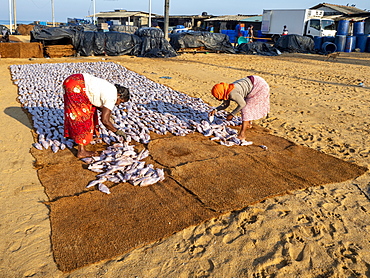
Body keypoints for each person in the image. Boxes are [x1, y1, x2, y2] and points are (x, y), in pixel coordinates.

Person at [63, 73, 130, 158]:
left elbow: (96, 102)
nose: (118, 104)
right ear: (119, 95)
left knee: (78, 112)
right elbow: (105, 121)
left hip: (73, 80)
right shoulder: (112, 97)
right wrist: (117, 131)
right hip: (77, 85)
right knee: (82, 117)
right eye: (120, 101)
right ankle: (81, 151)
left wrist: (108, 114)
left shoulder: (111, 89)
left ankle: (74, 137)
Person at [208, 75, 270, 140]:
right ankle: (248, 124)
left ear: (220, 93)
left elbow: (242, 104)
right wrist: (215, 110)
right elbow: (225, 104)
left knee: (246, 109)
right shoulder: (226, 90)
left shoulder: (232, 93)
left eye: (216, 96)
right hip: (253, 81)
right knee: (247, 106)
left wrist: (232, 114)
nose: (217, 99)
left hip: (260, 86)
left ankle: (242, 134)